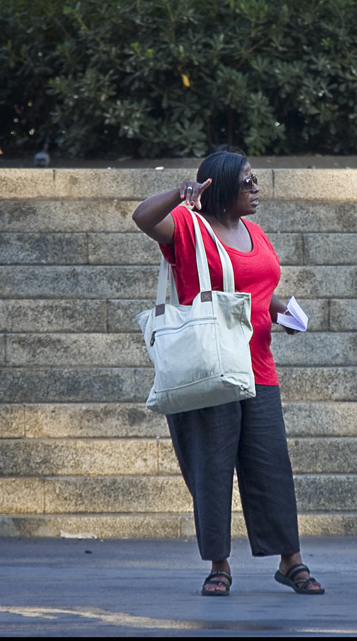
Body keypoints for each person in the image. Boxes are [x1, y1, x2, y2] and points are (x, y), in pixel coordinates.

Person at [132, 150, 324, 597]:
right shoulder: (188, 228)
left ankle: (289, 560)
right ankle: (219, 565)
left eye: (255, 180)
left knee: (271, 466)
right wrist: (181, 196)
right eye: (247, 182)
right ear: (218, 187)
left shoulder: (254, 232)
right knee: (212, 469)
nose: (256, 188)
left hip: (259, 367)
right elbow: (142, 217)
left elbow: (260, 289)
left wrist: (286, 312)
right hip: (209, 366)